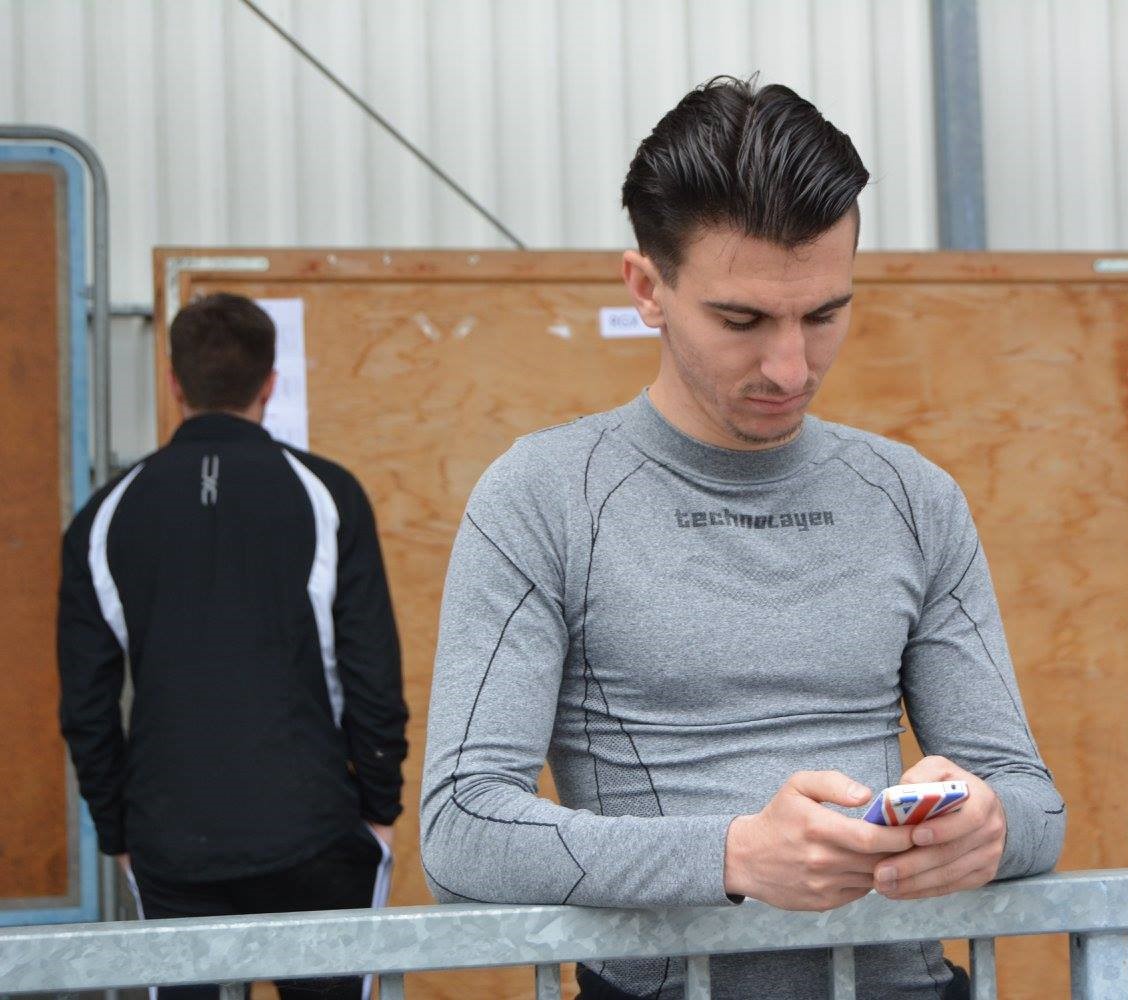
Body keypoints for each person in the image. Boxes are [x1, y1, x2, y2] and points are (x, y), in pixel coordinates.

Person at [420, 76, 1064, 999]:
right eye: (742, 320)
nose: (790, 367)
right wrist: (734, 857)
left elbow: (1034, 801)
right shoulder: (544, 497)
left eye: (825, 314)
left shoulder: (912, 497)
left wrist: (990, 829)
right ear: (648, 289)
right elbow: (461, 828)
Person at [58, 293, 408, 1000]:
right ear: (269, 384)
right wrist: (380, 806)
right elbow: (371, 673)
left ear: (174, 382)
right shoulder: (329, 494)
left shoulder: (103, 515)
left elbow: (87, 707)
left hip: (171, 842)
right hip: (314, 832)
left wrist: (118, 832)